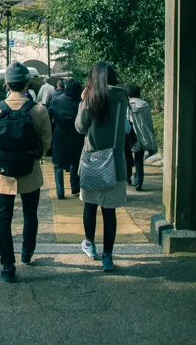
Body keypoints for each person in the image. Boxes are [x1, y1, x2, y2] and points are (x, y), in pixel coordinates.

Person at [0, 62, 52, 283]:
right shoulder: (39, 110)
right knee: (30, 215)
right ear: (27, 83)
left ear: (6, 84)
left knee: (4, 218)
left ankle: (7, 266)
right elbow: (46, 142)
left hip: (4, 174)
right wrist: (33, 156)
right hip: (30, 171)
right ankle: (27, 253)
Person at [76, 61, 129, 272]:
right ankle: (108, 256)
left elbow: (80, 127)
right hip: (115, 163)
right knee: (110, 213)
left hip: (93, 162)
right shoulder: (121, 98)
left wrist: (83, 101)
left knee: (90, 206)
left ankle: (89, 243)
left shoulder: (91, 99)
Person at [49, 78, 83, 199]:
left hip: (59, 136)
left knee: (58, 165)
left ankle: (60, 191)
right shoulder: (81, 103)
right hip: (77, 137)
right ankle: (75, 187)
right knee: (75, 162)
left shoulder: (56, 101)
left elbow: (49, 117)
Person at [125, 85, 157, 191]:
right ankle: (139, 182)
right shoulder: (145, 105)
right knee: (139, 159)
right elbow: (149, 121)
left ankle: (127, 178)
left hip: (130, 134)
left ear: (128, 94)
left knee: (127, 156)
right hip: (142, 134)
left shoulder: (127, 104)